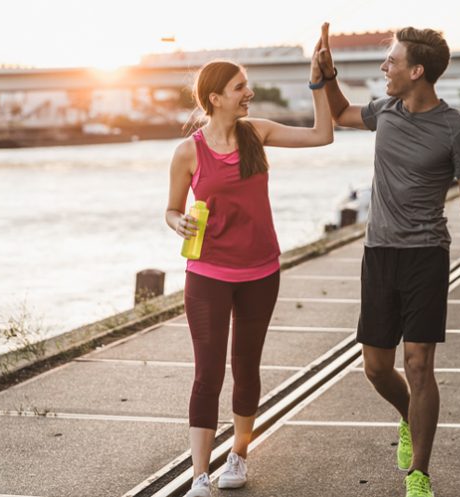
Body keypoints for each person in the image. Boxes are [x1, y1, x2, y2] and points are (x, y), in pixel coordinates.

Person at [316, 25, 460, 497]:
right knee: (377, 368)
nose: (385, 67)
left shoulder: (458, 131)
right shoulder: (386, 110)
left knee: (419, 364)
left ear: (416, 71)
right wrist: (326, 74)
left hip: (425, 256)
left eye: (392, 62)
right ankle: (408, 416)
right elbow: (339, 113)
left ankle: (418, 473)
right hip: (379, 253)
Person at [165, 25, 334, 497]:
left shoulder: (256, 133)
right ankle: (199, 473)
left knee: (247, 366)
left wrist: (319, 83)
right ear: (215, 97)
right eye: (240, 86)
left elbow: (323, 135)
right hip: (207, 275)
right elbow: (172, 208)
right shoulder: (187, 152)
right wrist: (176, 222)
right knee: (208, 372)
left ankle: (238, 455)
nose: (249, 93)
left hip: (261, 272)